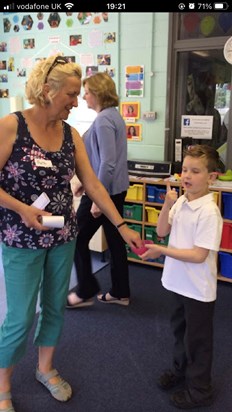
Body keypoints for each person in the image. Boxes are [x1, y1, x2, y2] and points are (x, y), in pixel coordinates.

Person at [0, 55, 141, 412]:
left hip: (62, 235)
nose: (77, 102)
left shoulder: (70, 134)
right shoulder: (10, 126)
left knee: (54, 309)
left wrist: (122, 227)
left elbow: (92, 183)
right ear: (48, 90)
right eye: (72, 94)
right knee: (18, 317)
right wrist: (22, 209)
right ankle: (2, 385)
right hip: (22, 239)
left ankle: (45, 368)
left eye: (80, 95)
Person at [141, 145, 223, 409]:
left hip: (198, 289)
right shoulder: (182, 202)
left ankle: (201, 390)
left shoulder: (209, 212)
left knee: (198, 340)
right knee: (180, 331)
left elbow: (199, 255)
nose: (187, 175)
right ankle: (180, 370)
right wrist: (167, 204)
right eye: (185, 169)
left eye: (195, 171)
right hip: (177, 282)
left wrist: (160, 251)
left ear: (212, 177)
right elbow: (162, 230)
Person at [67, 72, 131, 309]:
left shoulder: (104, 119)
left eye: (86, 92)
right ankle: (121, 292)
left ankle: (85, 289)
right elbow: (102, 159)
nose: (83, 97)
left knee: (74, 238)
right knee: (115, 241)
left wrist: (96, 198)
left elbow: (108, 162)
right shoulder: (113, 116)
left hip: (104, 192)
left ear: (97, 93)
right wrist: (86, 181)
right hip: (114, 189)